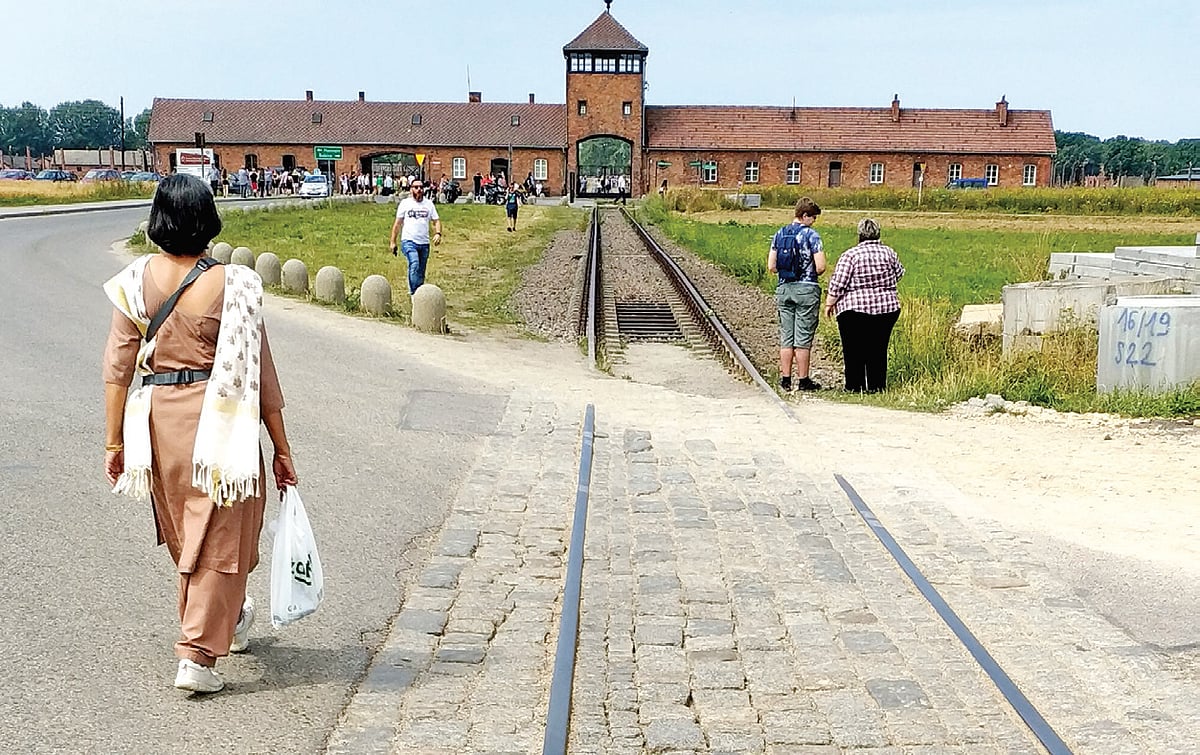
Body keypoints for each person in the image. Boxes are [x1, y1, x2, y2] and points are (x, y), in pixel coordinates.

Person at [102, 174, 297, 694]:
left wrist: (114, 443)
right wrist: (281, 447)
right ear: (207, 218)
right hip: (222, 424)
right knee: (225, 537)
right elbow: (263, 374)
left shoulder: (133, 281)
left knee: (192, 532)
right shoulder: (233, 283)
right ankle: (196, 656)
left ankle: (224, 620)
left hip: (158, 423)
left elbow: (117, 369)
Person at [823, 218, 905, 393]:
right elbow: (899, 273)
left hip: (854, 309)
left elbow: (839, 283)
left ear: (859, 235)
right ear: (878, 234)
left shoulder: (850, 255)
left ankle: (855, 386)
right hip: (886, 308)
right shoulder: (889, 253)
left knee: (853, 349)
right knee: (879, 348)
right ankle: (877, 386)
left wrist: (829, 304)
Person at [768, 197, 826, 392]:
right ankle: (803, 380)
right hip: (806, 290)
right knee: (802, 338)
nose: (814, 221)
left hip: (784, 289)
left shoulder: (779, 233)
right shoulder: (812, 236)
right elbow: (821, 267)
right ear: (805, 216)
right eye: (813, 218)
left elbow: (772, 267)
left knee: (787, 336)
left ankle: (785, 379)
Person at [389, 178, 442, 294]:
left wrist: (438, 233)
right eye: (416, 187)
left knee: (421, 271)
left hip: (424, 243)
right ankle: (414, 293)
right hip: (409, 241)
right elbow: (397, 224)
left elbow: (436, 220)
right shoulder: (405, 204)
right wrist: (393, 242)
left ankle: (420, 295)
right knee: (414, 263)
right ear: (411, 189)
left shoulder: (428, 204)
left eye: (421, 187)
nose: (419, 190)